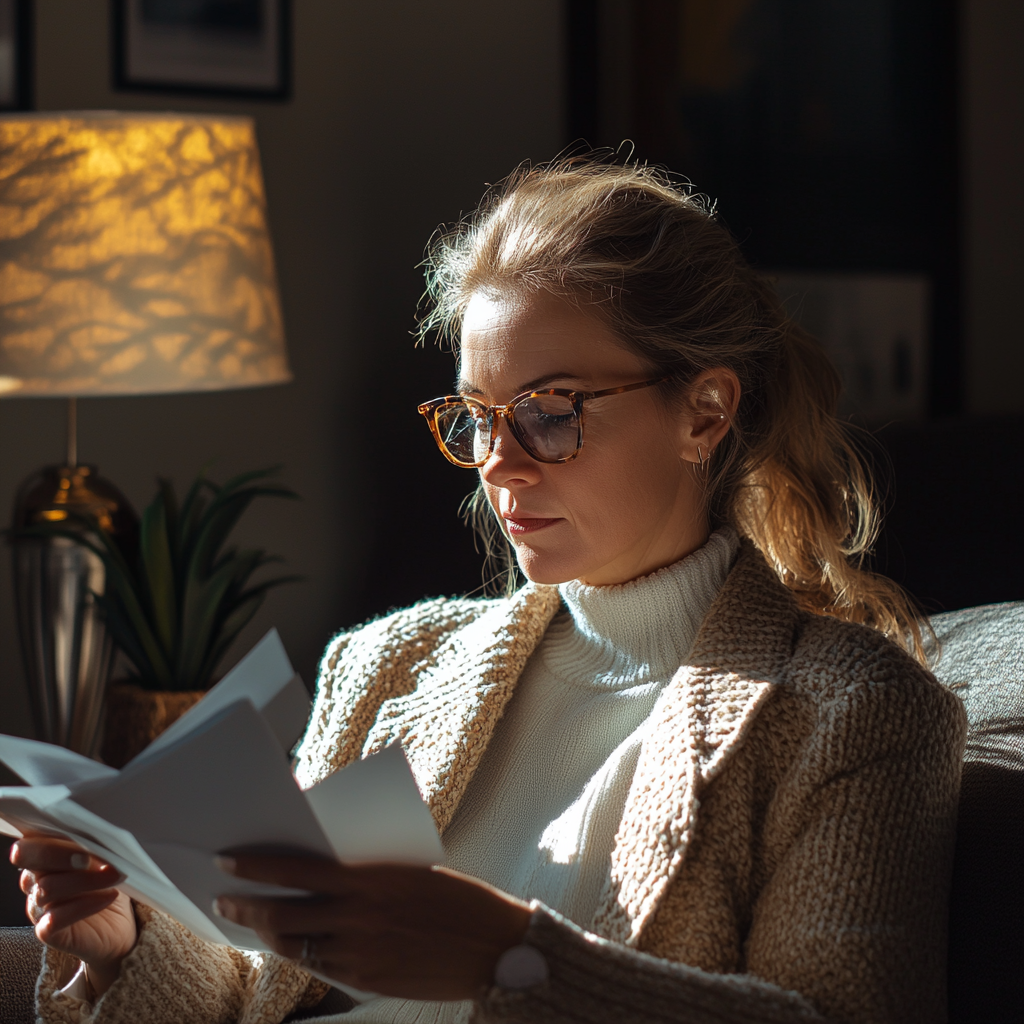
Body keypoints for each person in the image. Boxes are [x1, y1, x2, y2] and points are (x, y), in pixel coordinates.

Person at [11, 157, 966, 1024]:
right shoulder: (388, 664)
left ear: (706, 412)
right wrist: (124, 944)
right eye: (476, 418)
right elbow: (259, 981)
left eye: (550, 416)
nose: (497, 467)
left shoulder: (858, 714)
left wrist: (507, 959)